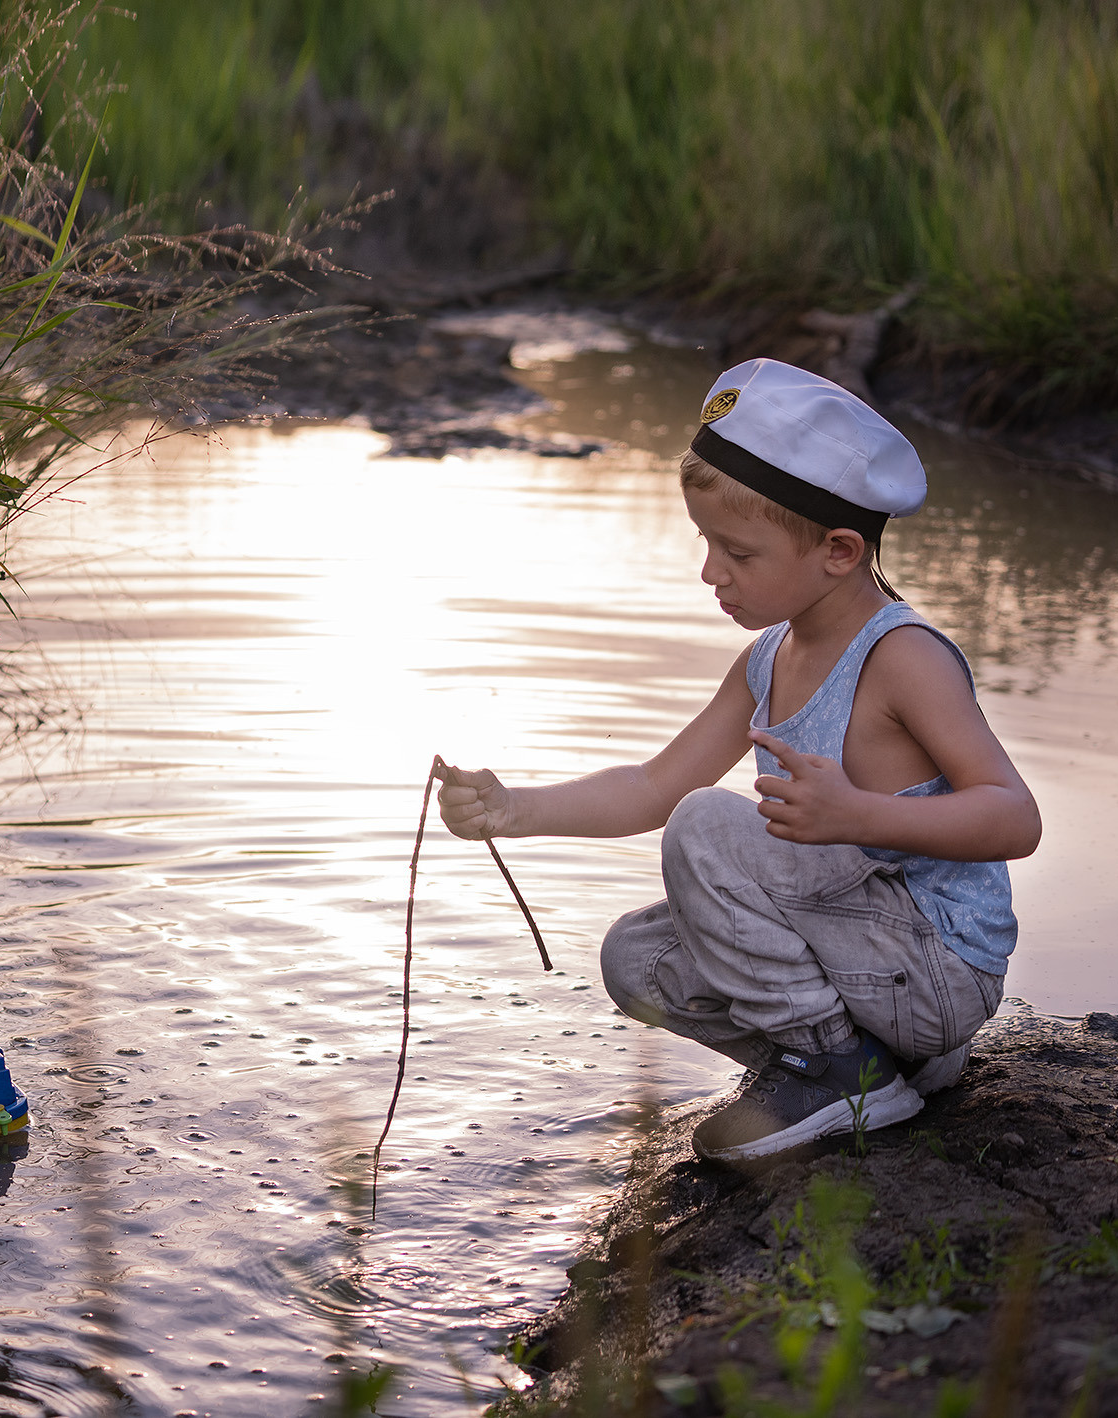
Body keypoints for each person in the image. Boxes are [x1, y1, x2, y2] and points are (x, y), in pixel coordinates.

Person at [437, 358, 1040, 1161]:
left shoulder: (902, 656)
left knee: (708, 826)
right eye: (705, 542)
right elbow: (654, 784)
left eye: (739, 552)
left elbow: (1014, 816)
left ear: (837, 550)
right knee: (638, 959)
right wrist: (516, 810)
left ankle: (837, 1070)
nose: (710, 572)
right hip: (874, 968)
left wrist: (862, 815)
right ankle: (871, 1063)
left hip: (936, 969)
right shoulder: (769, 657)